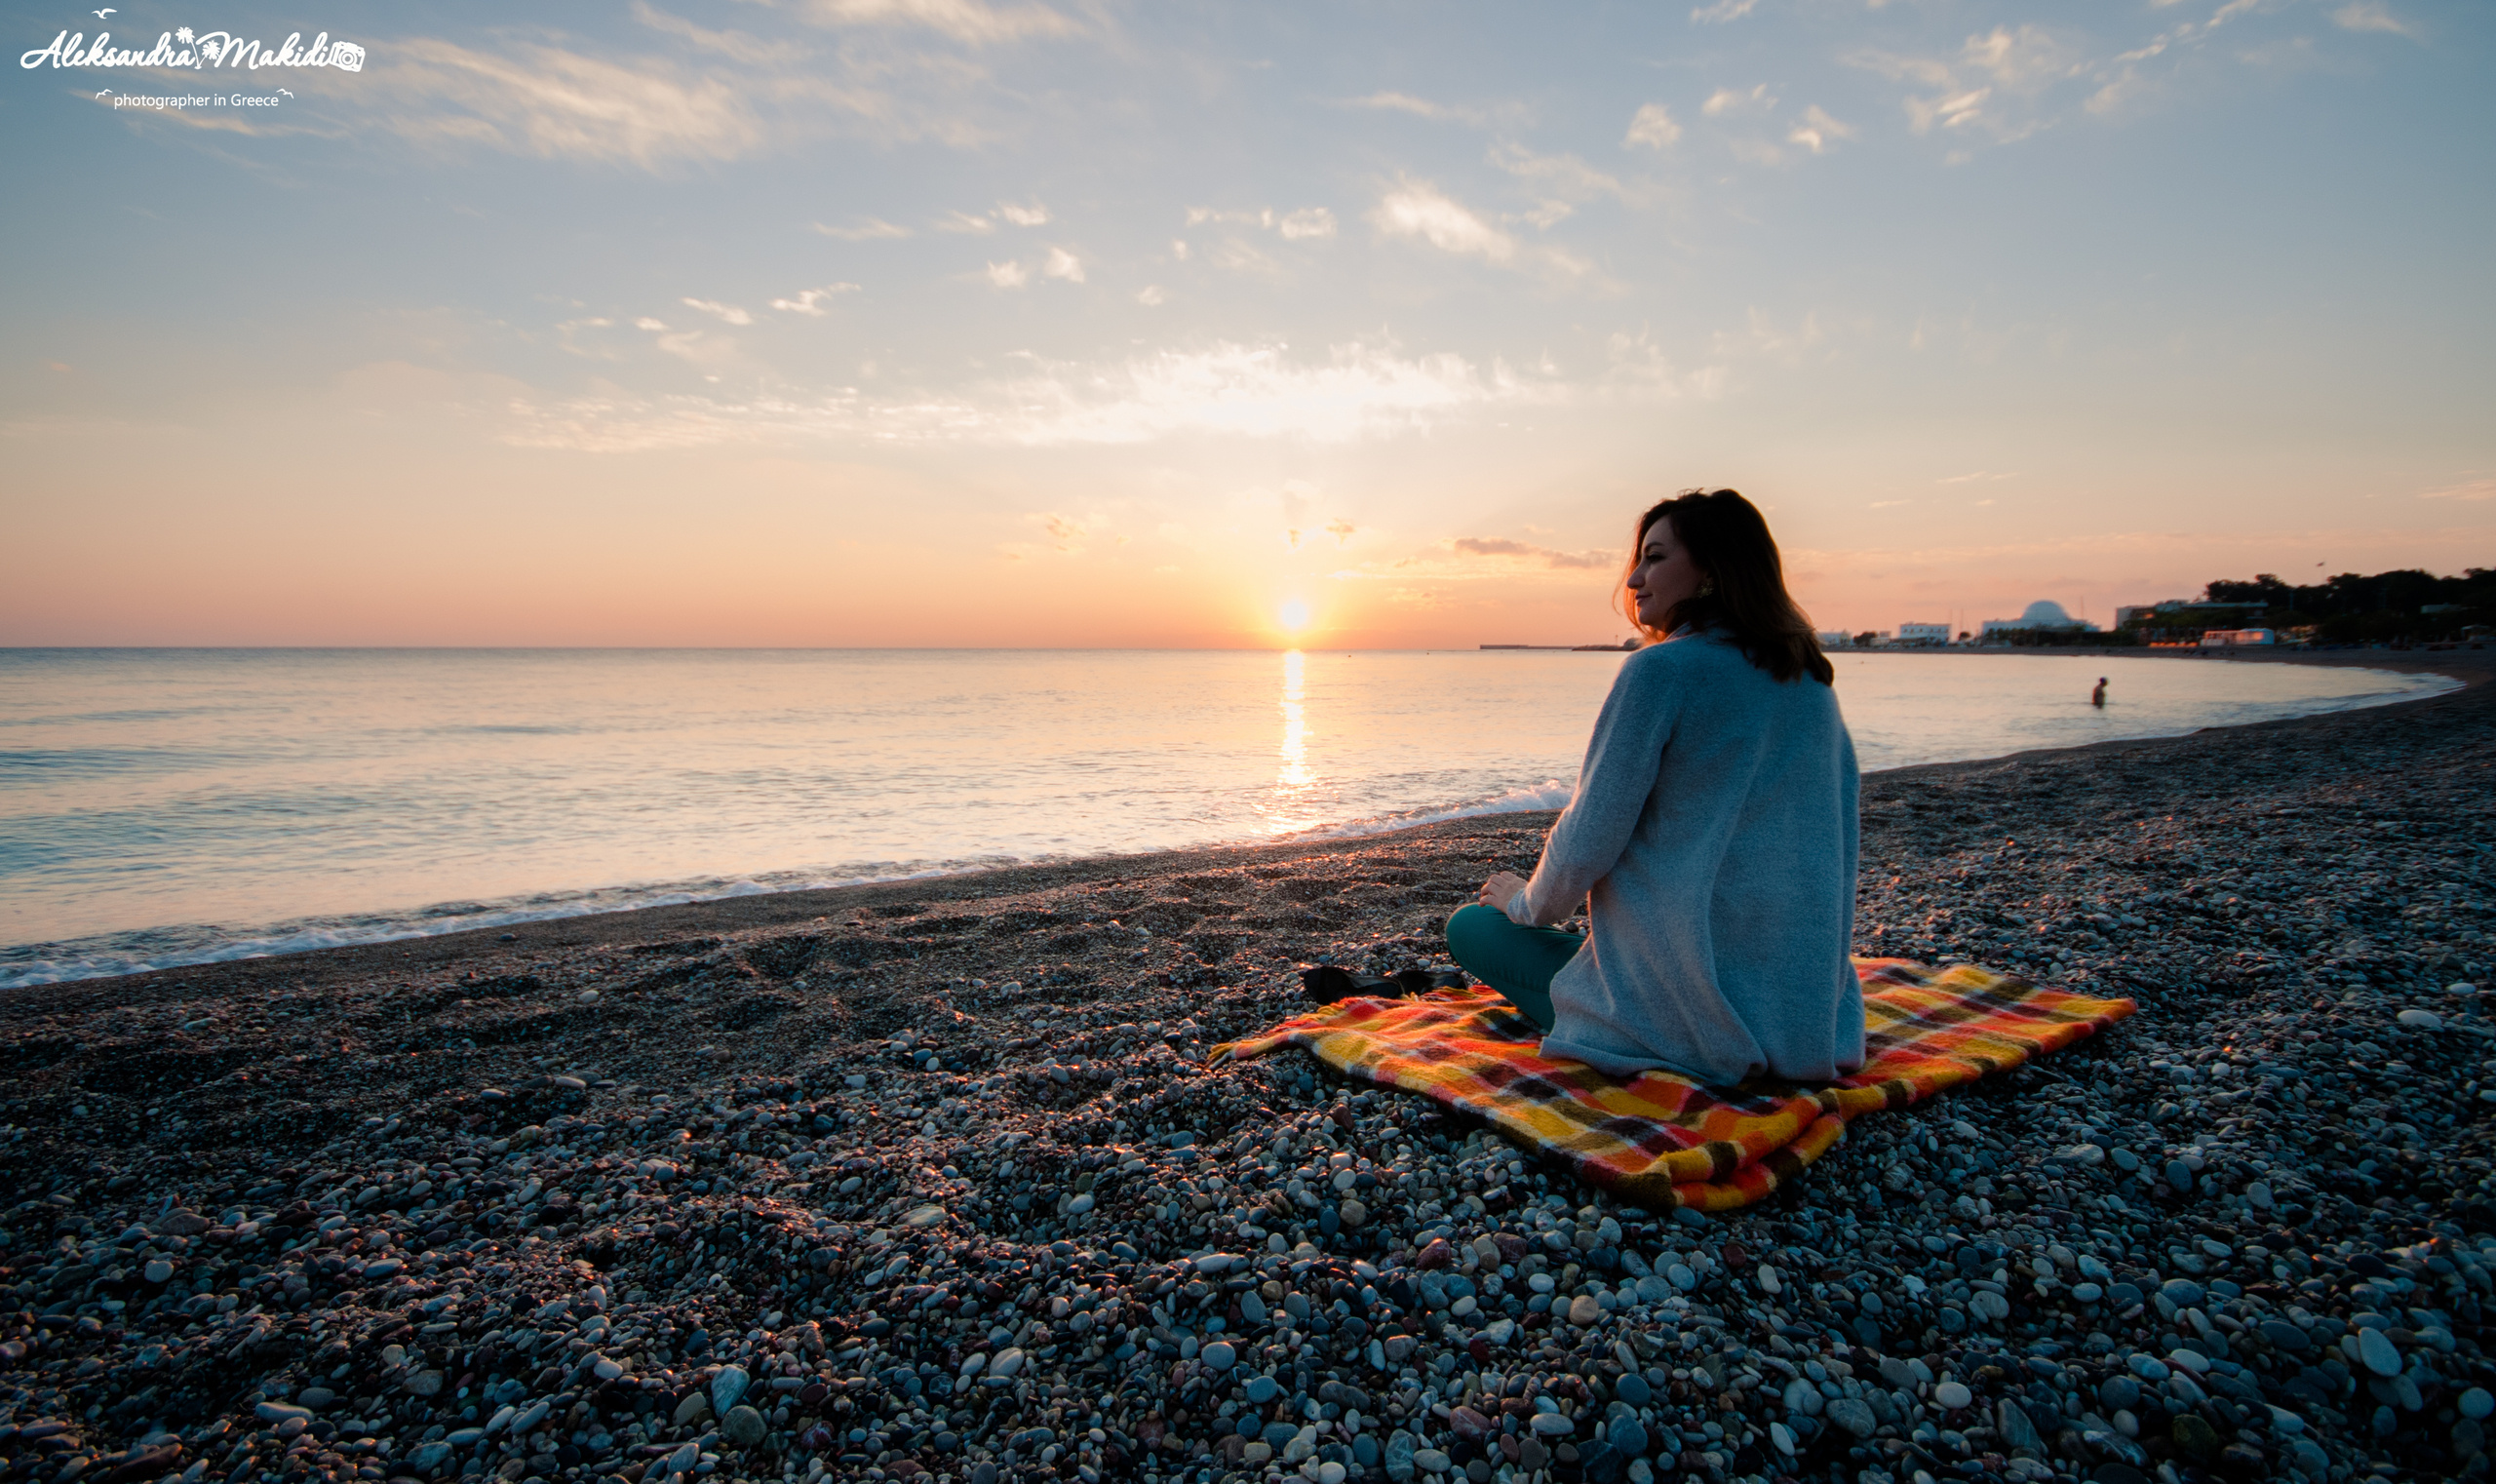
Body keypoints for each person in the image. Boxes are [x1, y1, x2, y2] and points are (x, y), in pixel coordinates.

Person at [1444, 488, 1863, 1085]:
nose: (1636, 578)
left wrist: (1524, 902)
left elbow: (1590, 834)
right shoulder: (1810, 683)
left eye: (1656, 557)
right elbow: (1835, 838)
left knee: (1470, 927)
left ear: (1712, 572)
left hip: (1689, 1022)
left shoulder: (1661, 670)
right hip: (1802, 1019)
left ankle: (1624, 1026)